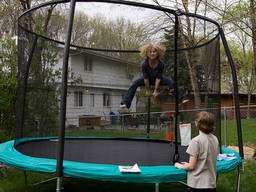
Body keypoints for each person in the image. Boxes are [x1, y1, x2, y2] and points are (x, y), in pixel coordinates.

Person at [120, 43, 189, 109]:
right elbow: (146, 78)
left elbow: (158, 78)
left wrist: (155, 90)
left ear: (158, 53)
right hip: (145, 79)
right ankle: (125, 102)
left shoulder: (161, 64)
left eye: (154, 52)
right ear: (147, 53)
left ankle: (182, 98)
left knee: (170, 81)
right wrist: (148, 90)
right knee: (134, 83)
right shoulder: (144, 64)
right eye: (150, 52)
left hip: (157, 78)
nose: (152, 53)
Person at [174, 111, 219, 192]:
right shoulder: (215, 138)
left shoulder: (196, 141)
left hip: (198, 184)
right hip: (211, 183)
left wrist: (180, 166)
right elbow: (205, 159)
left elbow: (191, 166)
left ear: (197, 123)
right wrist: (188, 164)